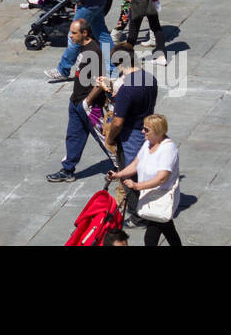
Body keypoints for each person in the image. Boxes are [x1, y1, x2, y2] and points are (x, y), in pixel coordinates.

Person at [45, 18, 105, 183]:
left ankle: (122, 166)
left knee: (104, 137)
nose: (70, 36)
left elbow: (100, 82)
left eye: (74, 33)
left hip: (89, 106)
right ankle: (68, 169)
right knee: (73, 136)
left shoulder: (93, 53)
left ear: (84, 33)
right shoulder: (82, 48)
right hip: (77, 101)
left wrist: (87, 102)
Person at [109, 114, 181, 246]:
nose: (143, 131)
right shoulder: (148, 143)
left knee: (151, 237)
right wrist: (118, 175)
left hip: (160, 197)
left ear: (158, 131)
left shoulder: (167, 149)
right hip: (151, 197)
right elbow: (136, 164)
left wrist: (137, 186)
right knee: (168, 229)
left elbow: (161, 178)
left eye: (147, 129)